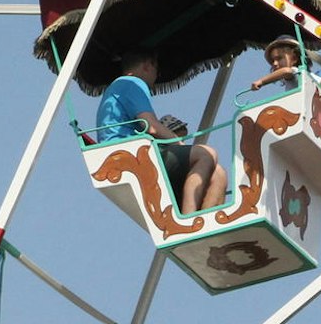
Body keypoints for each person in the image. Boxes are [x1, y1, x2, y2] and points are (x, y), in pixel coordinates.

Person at [96, 49, 227, 214]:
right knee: (206, 153)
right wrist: (178, 142)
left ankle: (207, 223)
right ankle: (190, 220)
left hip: (132, 152)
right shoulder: (132, 83)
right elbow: (150, 125)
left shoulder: (120, 86)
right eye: (157, 70)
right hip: (129, 153)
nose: (157, 76)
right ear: (147, 65)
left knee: (218, 174)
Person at [249, 36, 321, 97]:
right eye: (273, 60)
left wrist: (261, 81)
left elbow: (286, 71)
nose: (274, 63)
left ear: (294, 58)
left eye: (279, 58)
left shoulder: (298, 72)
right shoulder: (308, 76)